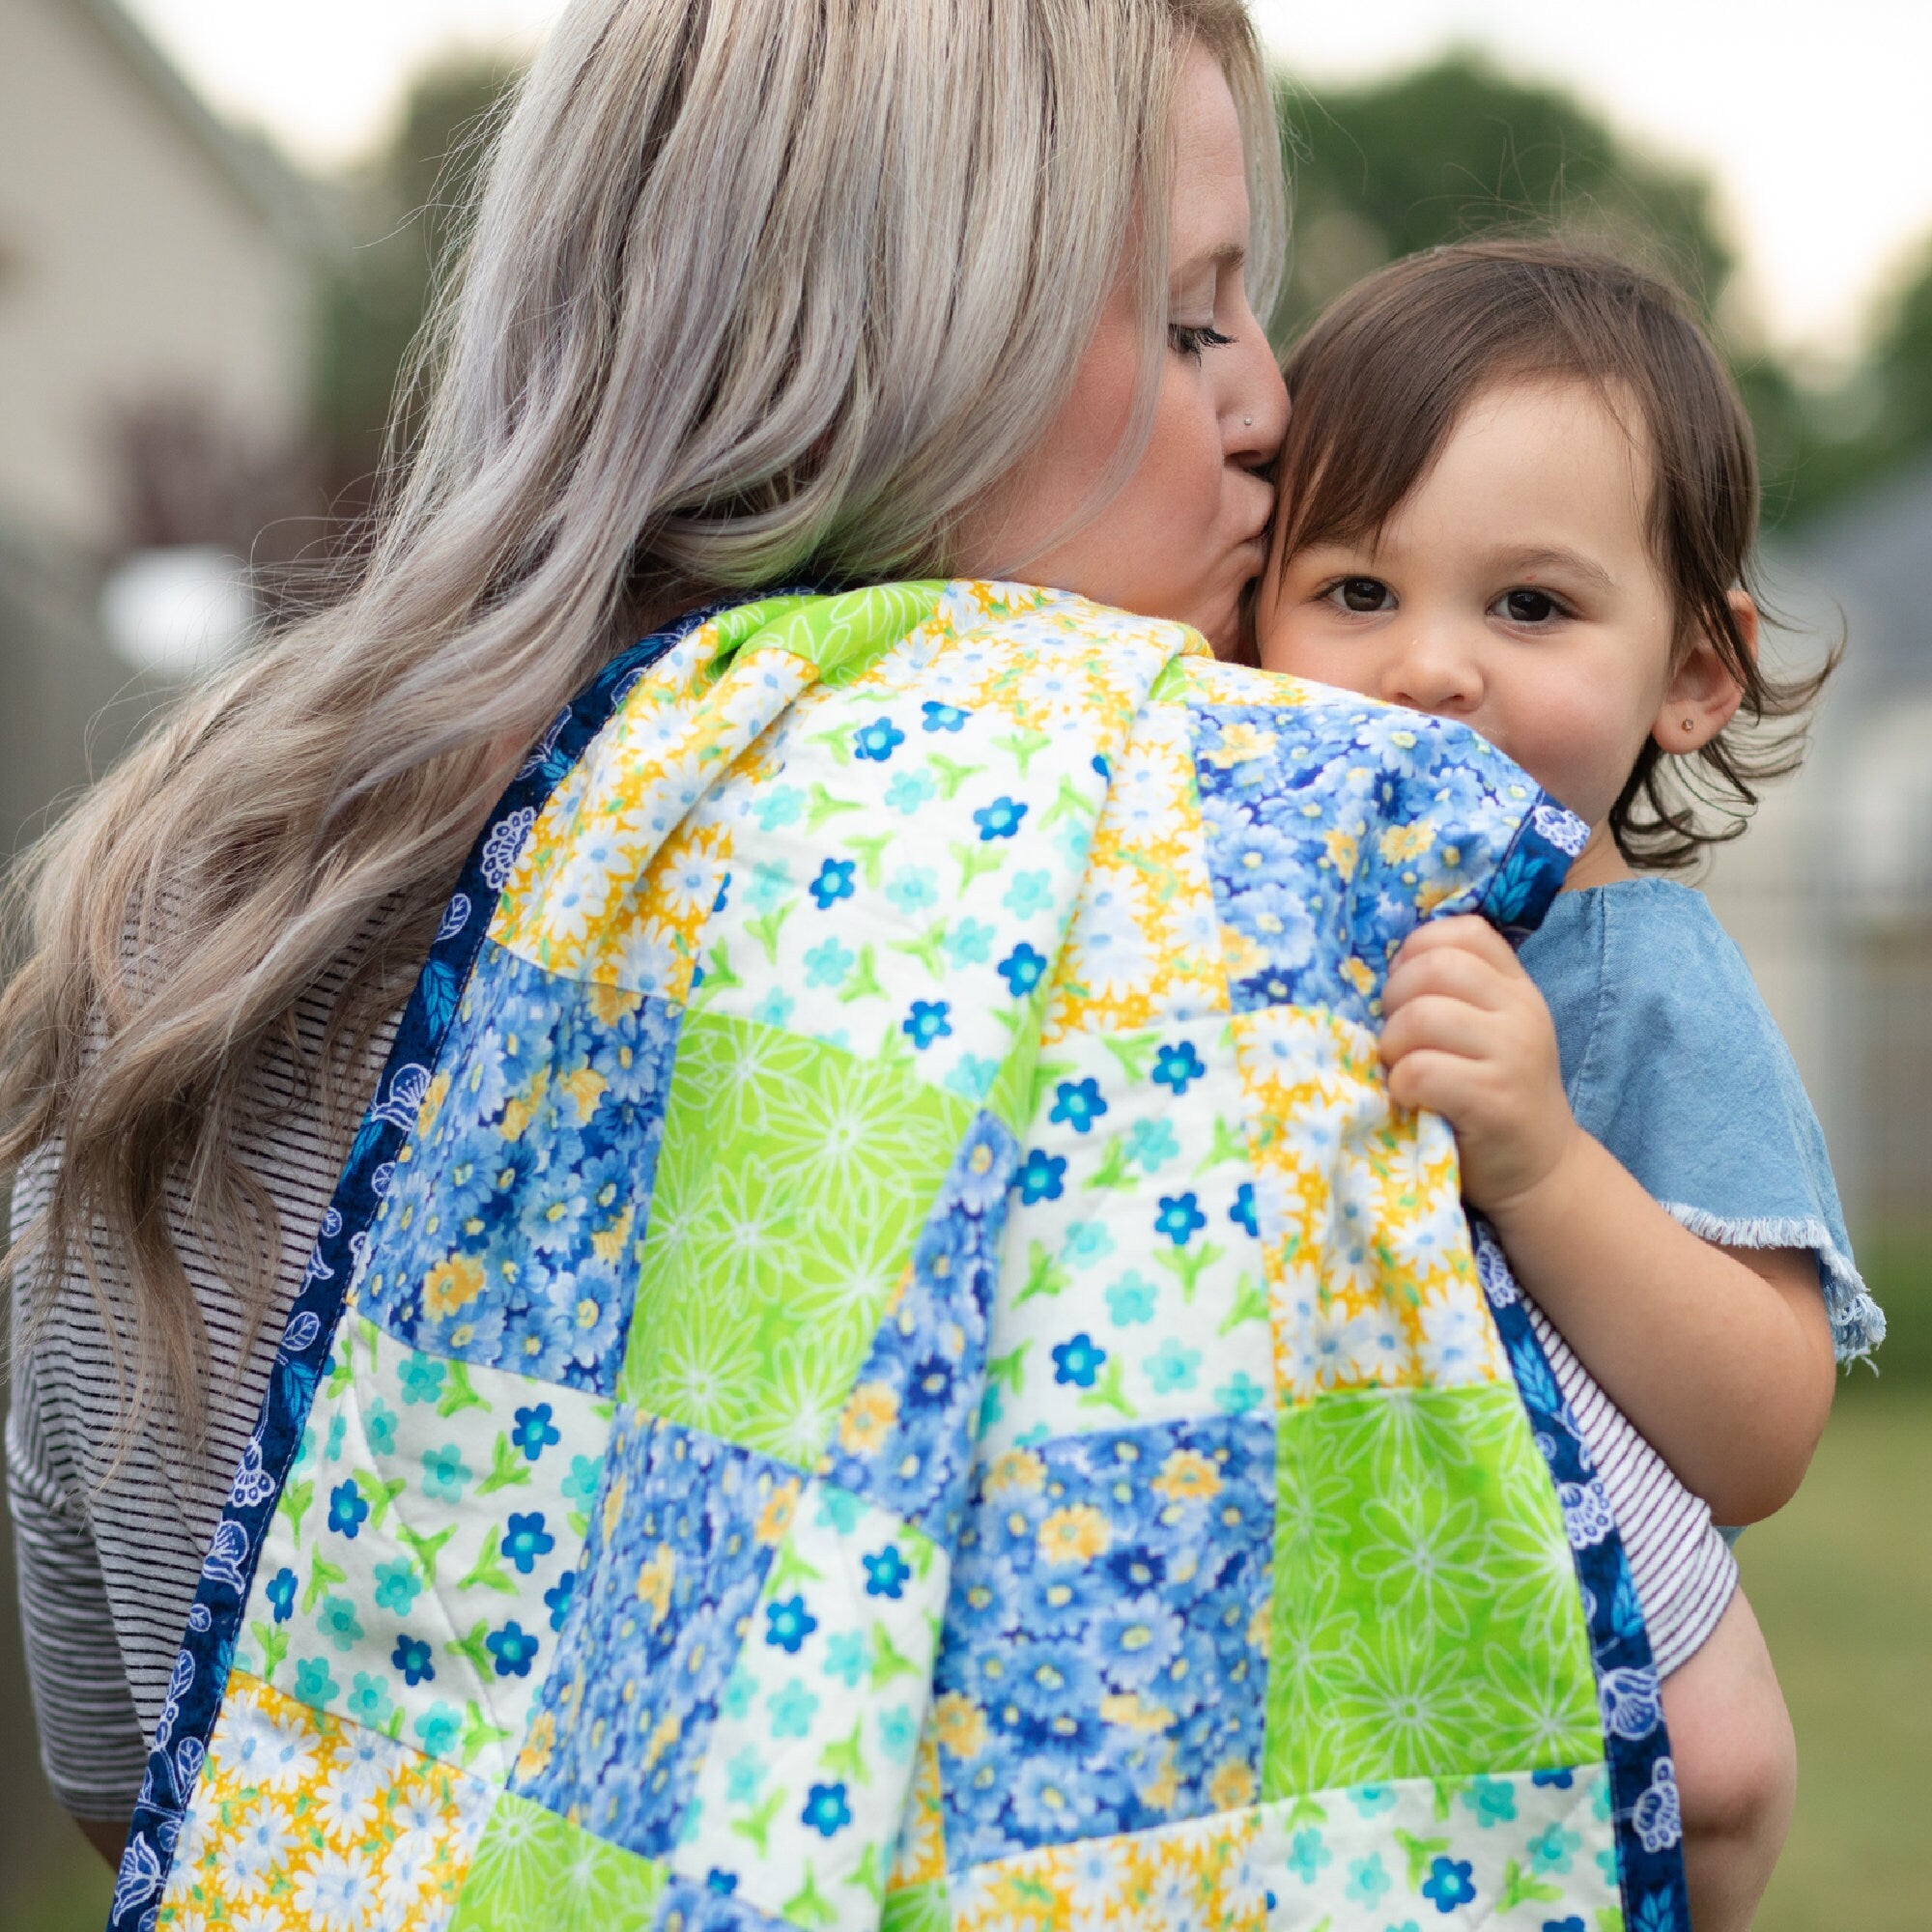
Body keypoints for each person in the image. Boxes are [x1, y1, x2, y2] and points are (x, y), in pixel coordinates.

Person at [3, 3, 1715, 1923]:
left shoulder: (190, 895)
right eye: (1185, 317)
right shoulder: (1162, 861)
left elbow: (131, 1757)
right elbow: (1697, 1753)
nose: (1269, 405)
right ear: (879, 357)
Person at [1254, 237, 1886, 1931]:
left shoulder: (1642, 975)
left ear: (1692, 672)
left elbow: (1763, 1432)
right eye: (1357, 593)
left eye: (1528, 604)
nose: (1432, 667)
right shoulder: (1230, 919)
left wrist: (1539, 1160)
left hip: (1574, 1693)